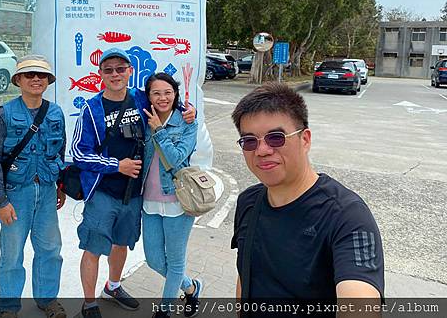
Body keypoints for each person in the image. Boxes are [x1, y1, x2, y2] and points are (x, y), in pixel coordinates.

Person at [230, 83, 384, 312]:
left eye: (275, 138)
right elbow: (246, 275)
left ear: (305, 140)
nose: (261, 150)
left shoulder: (347, 215)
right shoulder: (248, 202)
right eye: (250, 141)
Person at [70, 48, 196, 318]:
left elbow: (167, 102)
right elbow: (79, 152)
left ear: (130, 71)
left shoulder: (140, 98)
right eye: (108, 70)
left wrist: (188, 111)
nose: (115, 74)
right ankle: (89, 303)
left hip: (136, 194)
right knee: (93, 247)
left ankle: (113, 287)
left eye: (120, 69)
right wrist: (117, 165)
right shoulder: (91, 109)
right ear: (100, 74)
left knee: (121, 242)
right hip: (103, 192)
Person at [0, 55, 67, 318]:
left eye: (41, 75)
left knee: (51, 249)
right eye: (29, 74)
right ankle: (9, 308)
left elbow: (60, 151)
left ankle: (47, 300)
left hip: (45, 191)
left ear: (48, 81)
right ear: (18, 80)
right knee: (11, 254)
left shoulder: (55, 112)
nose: (36, 79)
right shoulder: (3, 114)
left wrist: (60, 186)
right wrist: (1, 200)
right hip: (15, 194)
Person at [141, 73, 202, 318]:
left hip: (179, 201)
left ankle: (164, 311)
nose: (162, 98)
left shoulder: (188, 123)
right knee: (154, 260)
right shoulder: (143, 119)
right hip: (149, 201)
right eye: (156, 93)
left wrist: (158, 132)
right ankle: (191, 287)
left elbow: (176, 160)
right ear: (148, 96)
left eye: (168, 92)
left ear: (175, 93)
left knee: (175, 262)